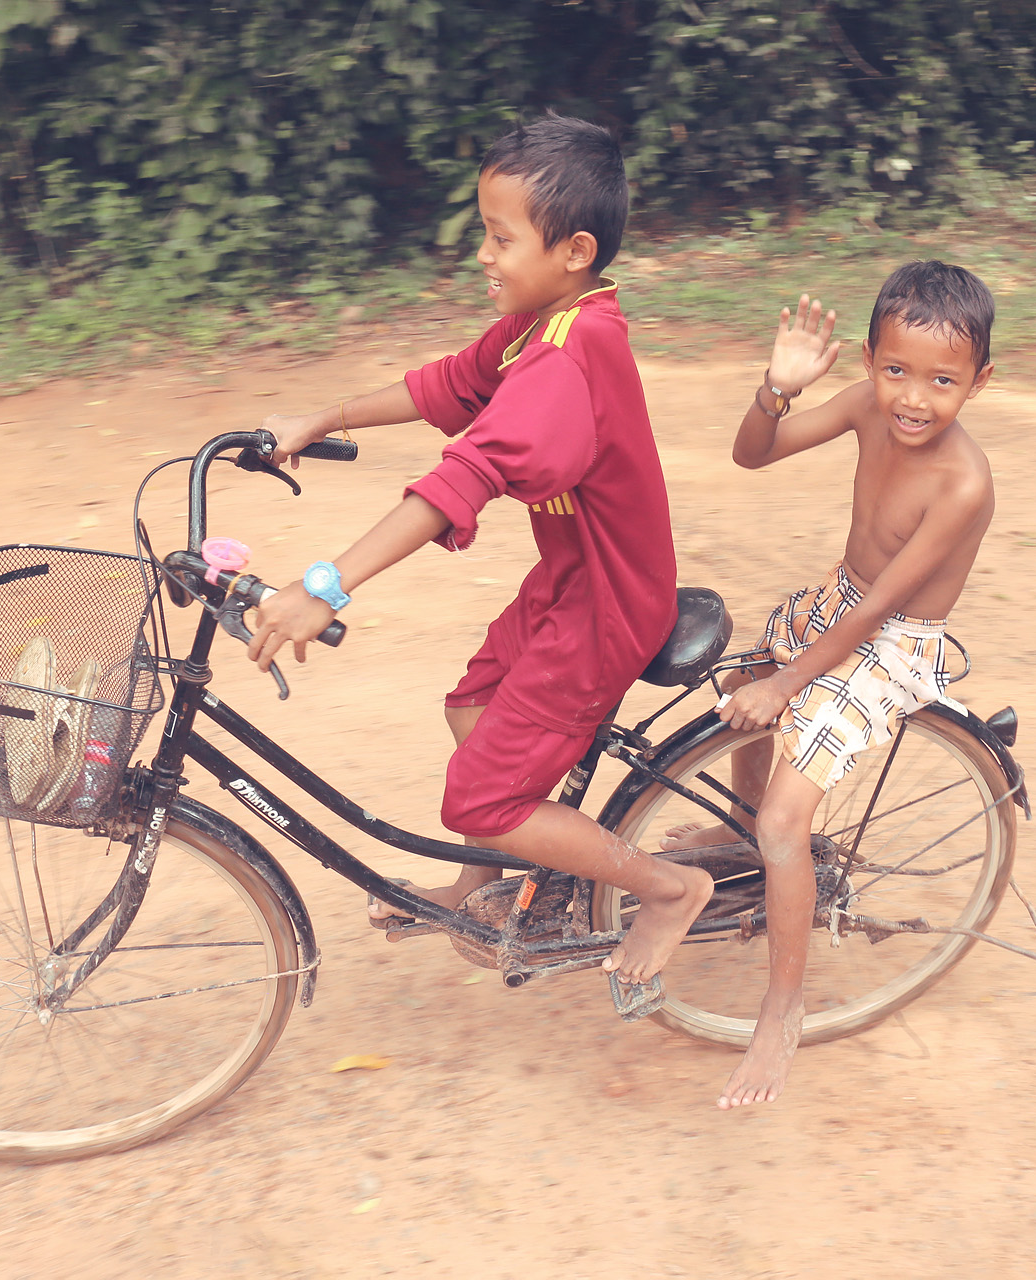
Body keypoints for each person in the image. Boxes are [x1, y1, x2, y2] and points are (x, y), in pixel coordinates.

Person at [248, 113, 713, 1003]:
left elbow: (466, 473)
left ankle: (667, 887)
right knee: (470, 707)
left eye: (501, 238)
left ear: (574, 249)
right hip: (571, 582)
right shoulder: (539, 326)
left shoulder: (568, 360)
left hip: (608, 607)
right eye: (484, 233)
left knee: (481, 800)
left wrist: (326, 583)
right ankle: (484, 888)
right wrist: (320, 418)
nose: (484, 256)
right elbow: (448, 387)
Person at [673, 261, 998, 1110]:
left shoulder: (964, 483)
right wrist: (774, 392)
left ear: (979, 382)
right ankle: (738, 838)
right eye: (896, 371)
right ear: (868, 362)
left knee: (788, 814)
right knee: (743, 680)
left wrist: (789, 685)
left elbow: (888, 607)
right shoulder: (865, 408)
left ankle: (782, 1008)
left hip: (892, 638)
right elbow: (754, 455)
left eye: (942, 381)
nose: (913, 399)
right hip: (841, 600)